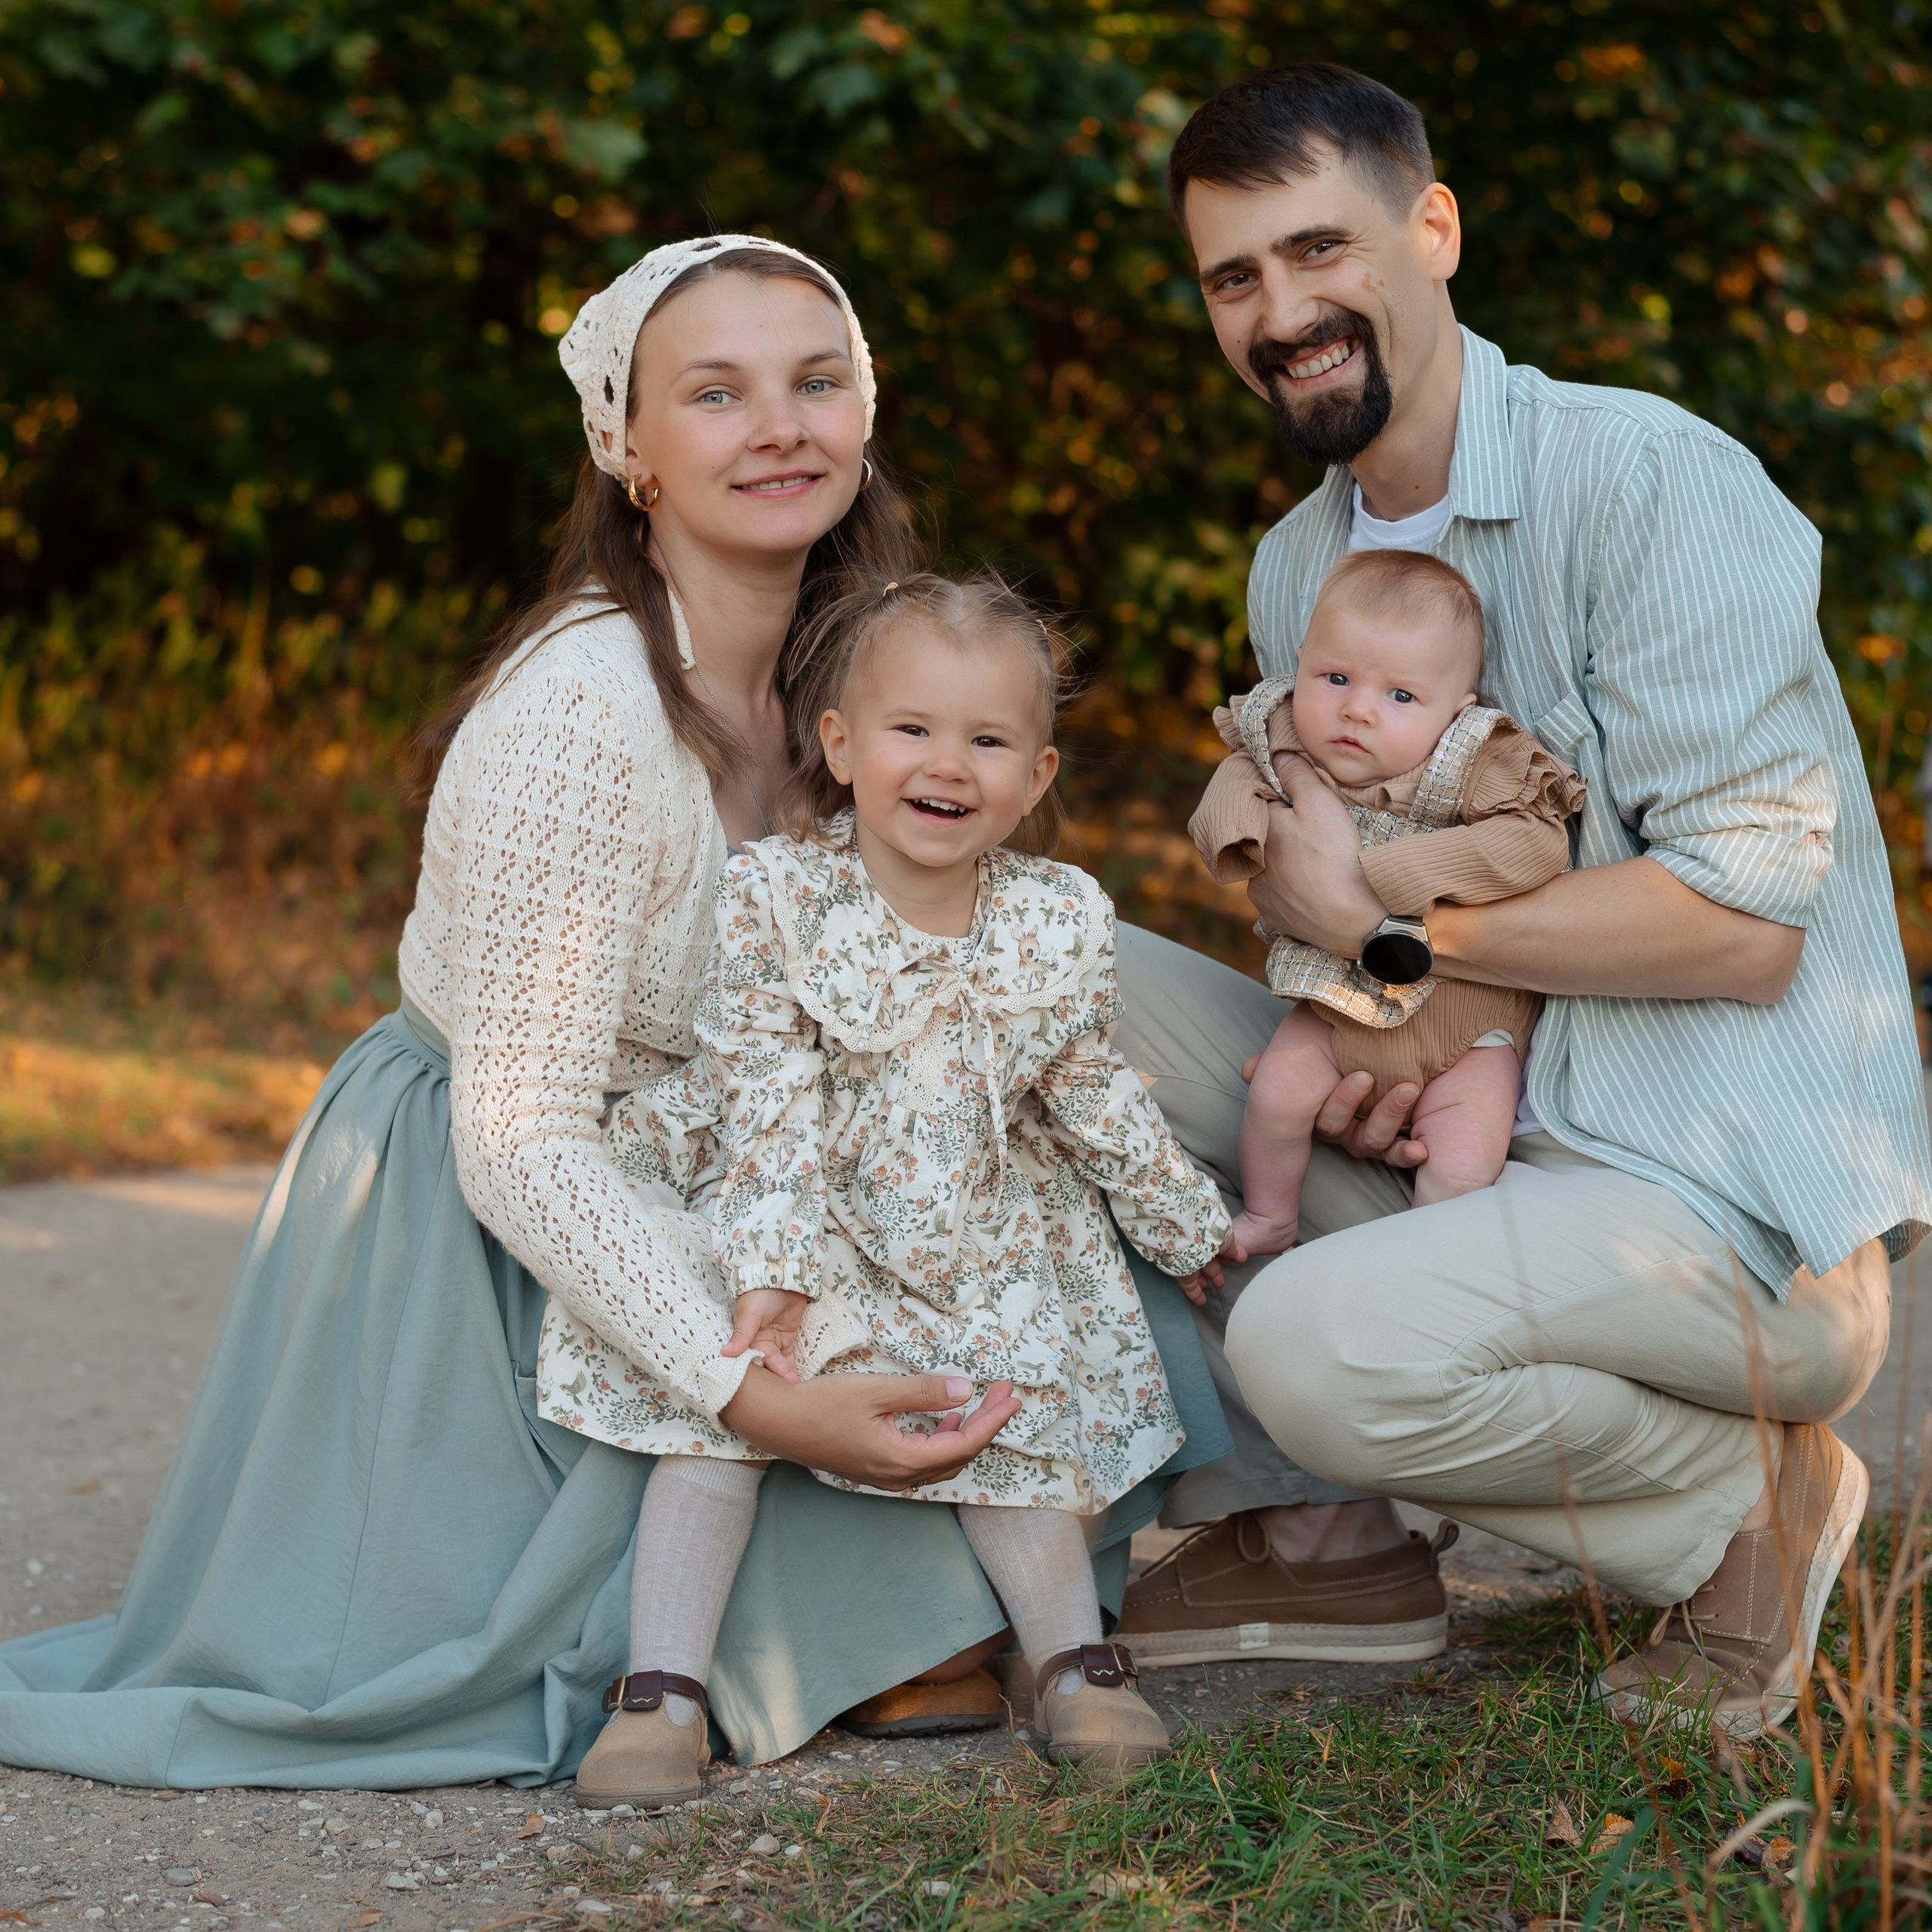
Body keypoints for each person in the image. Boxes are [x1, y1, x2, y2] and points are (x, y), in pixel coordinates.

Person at [0, 235, 1226, 1786]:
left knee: (1072, 1198)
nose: (779, 425)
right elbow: (520, 1145)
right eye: (716, 394)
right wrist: (758, 1390)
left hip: (753, 1142)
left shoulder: (862, 653)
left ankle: (1295, 1471)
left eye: (815, 381)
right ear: (628, 449)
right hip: (511, 1202)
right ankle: (812, 1619)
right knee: (818, 1432)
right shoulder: (577, 721)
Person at [1111, 63, 1932, 1737]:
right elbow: (1316, 885)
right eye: (1233, 277)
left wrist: (1388, 939)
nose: (1281, 311)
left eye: (1318, 249)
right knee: (1032, 968)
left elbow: (1743, 925)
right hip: (1470, 1135)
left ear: (1434, 230)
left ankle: (1744, 1509)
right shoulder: (1301, 568)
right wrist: (1360, 1016)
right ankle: (1341, 1537)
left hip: (1714, 1203)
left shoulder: (1646, 481)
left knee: (1314, 1344)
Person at [557, 571, 1234, 1801]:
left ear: (1035, 776)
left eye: (988, 740)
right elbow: (760, 1081)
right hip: (797, 1197)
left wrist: (1181, 1217)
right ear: (844, 746)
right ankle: (661, 1690)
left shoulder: (1056, 918)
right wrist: (771, 1267)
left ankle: (1073, 1662)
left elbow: (1088, 1086)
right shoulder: (780, 892)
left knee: (1012, 1401)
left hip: (970, 1215)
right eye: (914, 730)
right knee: (729, 1400)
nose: (947, 764)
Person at [1189, 547, 1583, 1259]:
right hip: (1337, 1004)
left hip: (1471, 1026)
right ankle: (1271, 1215)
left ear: (1458, 711)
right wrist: (1243, 839)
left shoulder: (1475, 761)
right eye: (1335, 677)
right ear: (1301, 663)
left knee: (1463, 1159)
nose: (1357, 710)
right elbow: (1231, 791)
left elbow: (1537, 845)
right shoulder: (1283, 743)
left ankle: (1420, 1267)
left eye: (1400, 697)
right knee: (1277, 1093)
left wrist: (1399, 873)